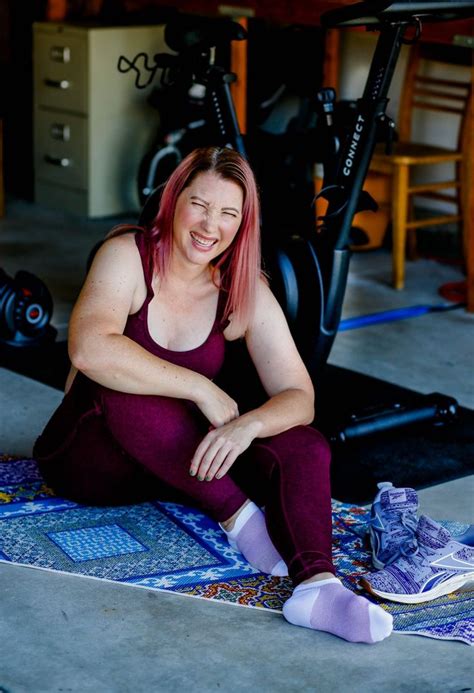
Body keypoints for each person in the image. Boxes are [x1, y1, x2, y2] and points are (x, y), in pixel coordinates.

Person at [34, 146, 392, 644]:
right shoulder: (127, 255)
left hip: (173, 465)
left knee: (303, 442)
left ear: (243, 224)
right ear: (173, 201)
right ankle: (239, 517)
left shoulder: (239, 289)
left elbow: (299, 396)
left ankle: (317, 587)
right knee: (116, 373)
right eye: (199, 205)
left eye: (228, 213)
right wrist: (201, 387)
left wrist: (249, 425)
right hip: (90, 461)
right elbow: (89, 349)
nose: (210, 225)